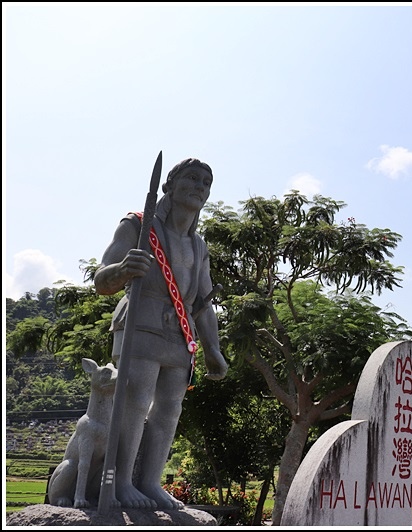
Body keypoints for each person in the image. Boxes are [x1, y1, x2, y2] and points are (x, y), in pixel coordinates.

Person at [95, 157, 228, 509]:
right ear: (169, 185)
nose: (199, 186)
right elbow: (101, 278)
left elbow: (201, 302)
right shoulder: (138, 226)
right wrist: (124, 269)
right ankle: (120, 481)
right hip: (140, 318)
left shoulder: (198, 246)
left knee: (170, 408)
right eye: (192, 178)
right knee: (135, 401)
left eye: (206, 182)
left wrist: (213, 347)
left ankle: (150, 481)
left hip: (180, 332)